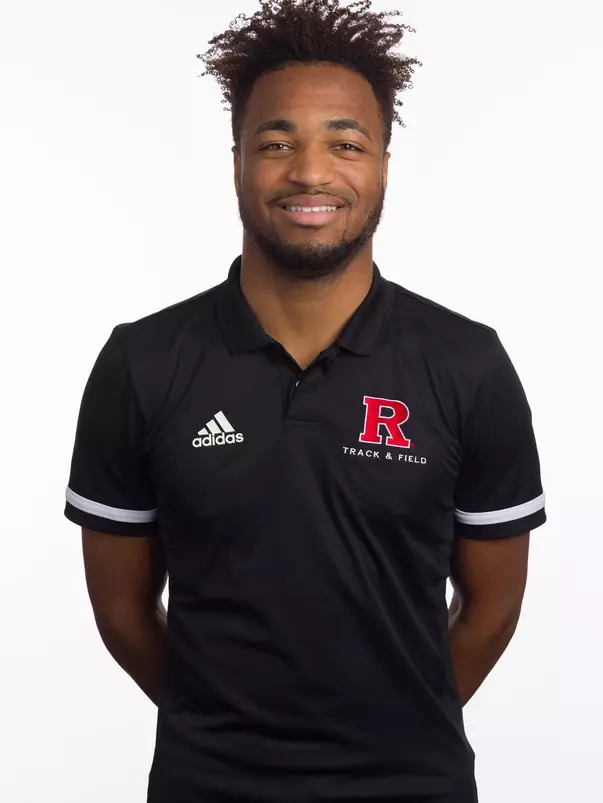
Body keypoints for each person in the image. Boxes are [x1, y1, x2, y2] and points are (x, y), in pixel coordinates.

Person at [64, 1, 547, 801]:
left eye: (344, 143)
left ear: (382, 163)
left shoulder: (467, 363)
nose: (311, 173)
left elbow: (491, 608)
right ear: (236, 162)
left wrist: (396, 729)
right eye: (276, 142)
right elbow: (123, 615)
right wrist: (228, 738)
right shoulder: (142, 362)